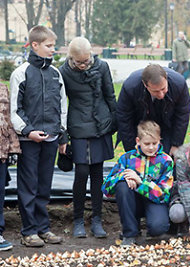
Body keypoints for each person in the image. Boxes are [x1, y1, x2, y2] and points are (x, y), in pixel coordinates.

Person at [10, 25, 67, 247]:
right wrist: (28, 131)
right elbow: (14, 109)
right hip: (28, 140)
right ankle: (29, 231)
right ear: (35, 45)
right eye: (49, 45)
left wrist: (61, 134)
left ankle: (44, 228)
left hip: (51, 139)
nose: (53, 49)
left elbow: (62, 106)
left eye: (53, 45)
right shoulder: (21, 73)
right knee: (28, 186)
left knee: (45, 185)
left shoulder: (56, 74)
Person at [59, 37, 117, 239]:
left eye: (86, 60)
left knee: (98, 173)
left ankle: (97, 220)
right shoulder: (63, 71)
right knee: (81, 172)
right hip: (77, 125)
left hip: (101, 123)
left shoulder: (102, 67)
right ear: (71, 58)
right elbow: (61, 104)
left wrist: (114, 122)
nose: (83, 65)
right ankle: (77, 220)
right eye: (79, 62)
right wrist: (63, 135)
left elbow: (110, 95)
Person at [102, 121, 173, 247]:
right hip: (132, 201)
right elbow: (106, 188)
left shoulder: (166, 161)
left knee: (158, 228)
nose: (151, 147)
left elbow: (163, 195)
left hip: (154, 201)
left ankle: (151, 226)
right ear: (138, 141)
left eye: (154, 143)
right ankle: (129, 234)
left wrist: (140, 182)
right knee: (122, 186)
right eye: (146, 144)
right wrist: (123, 176)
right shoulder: (127, 158)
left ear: (159, 141)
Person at [116, 64, 190, 156]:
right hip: (139, 125)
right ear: (145, 85)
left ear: (166, 79)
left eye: (163, 89)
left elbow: (182, 115)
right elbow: (124, 118)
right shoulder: (131, 87)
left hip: (167, 124)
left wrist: (176, 144)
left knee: (166, 158)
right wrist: (131, 149)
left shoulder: (179, 84)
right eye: (155, 91)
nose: (161, 95)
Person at [0, 84, 21, 251]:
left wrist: (13, 148)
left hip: (1, 150)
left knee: (0, 192)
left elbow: (7, 120)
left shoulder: (2, 88)